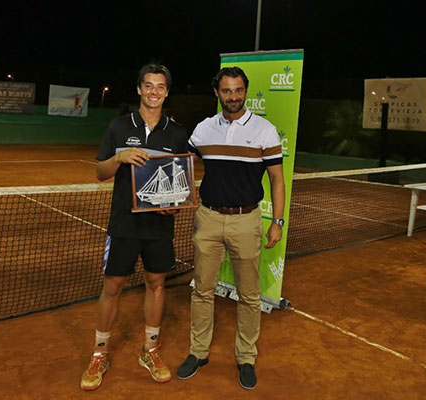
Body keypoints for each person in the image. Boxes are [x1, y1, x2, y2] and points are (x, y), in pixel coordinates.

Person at [80, 63, 188, 391]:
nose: (154, 91)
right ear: (139, 89)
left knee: (156, 284)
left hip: (159, 227)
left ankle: (150, 350)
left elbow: (180, 181)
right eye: (149, 85)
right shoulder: (118, 126)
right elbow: (100, 173)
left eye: (160, 86)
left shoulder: (176, 132)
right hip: (124, 224)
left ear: (167, 92)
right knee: (112, 286)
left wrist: (175, 204)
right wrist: (119, 157)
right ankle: (99, 353)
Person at [177, 66, 285, 390]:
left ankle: (246, 357)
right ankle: (198, 352)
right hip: (208, 219)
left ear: (245, 91)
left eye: (238, 90)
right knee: (202, 290)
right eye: (227, 91)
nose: (233, 96)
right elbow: (181, 162)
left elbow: (277, 180)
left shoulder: (265, 130)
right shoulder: (204, 128)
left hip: (247, 221)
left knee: (249, 296)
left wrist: (277, 222)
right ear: (217, 93)